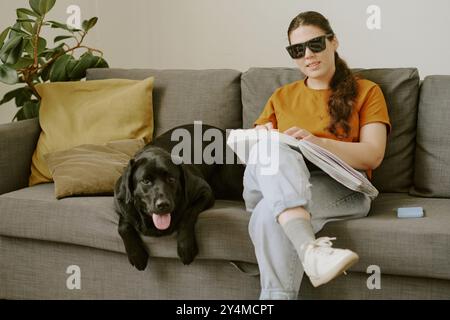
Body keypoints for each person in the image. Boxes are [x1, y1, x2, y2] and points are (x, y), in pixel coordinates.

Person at [243, 11, 392, 300]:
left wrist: (317, 143)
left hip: (342, 186)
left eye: (316, 45)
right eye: (297, 50)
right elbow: (260, 154)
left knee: (268, 215)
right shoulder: (281, 96)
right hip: (275, 181)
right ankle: (310, 251)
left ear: (333, 41)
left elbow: (372, 155)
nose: (308, 55)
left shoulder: (367, 91)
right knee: (269, 146)